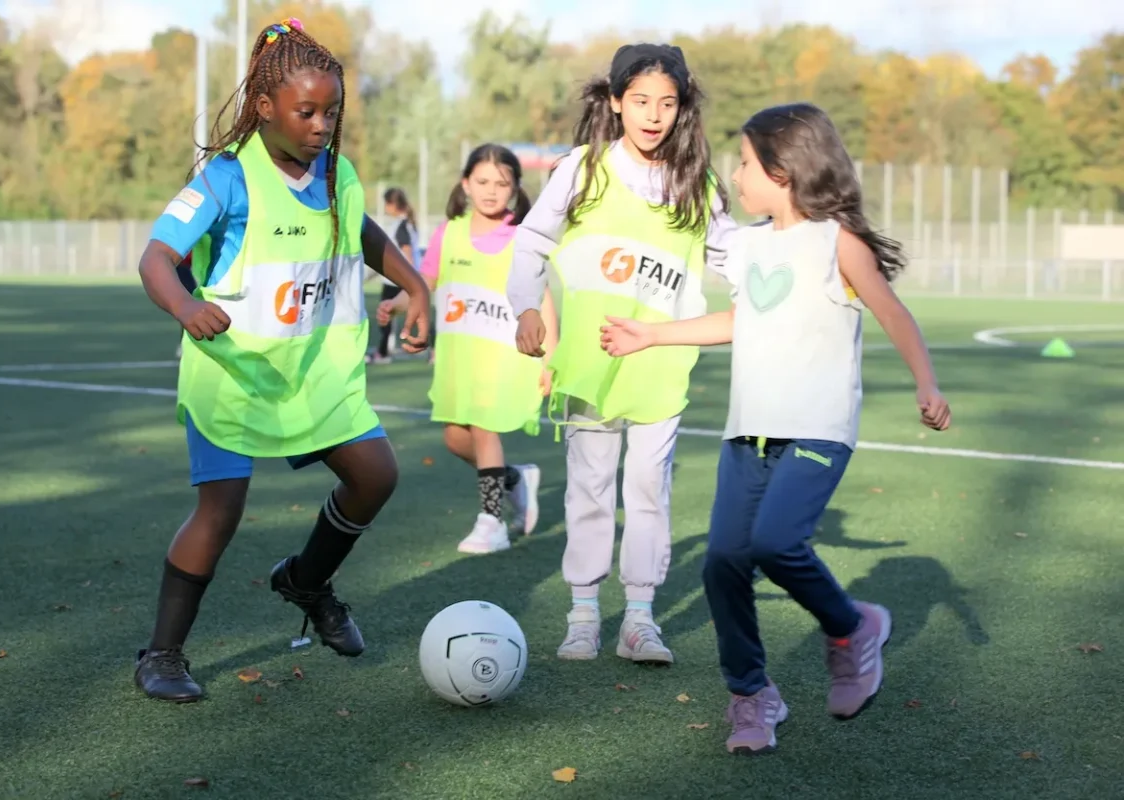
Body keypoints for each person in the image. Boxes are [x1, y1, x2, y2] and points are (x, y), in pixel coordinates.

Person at [600, 102, 951, 753]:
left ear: (785, 171)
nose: (737, 176)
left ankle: (853, 628)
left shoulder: (835, 242)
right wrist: (652, 335)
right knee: (723, 562)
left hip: (818, 430)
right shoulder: (750, 245)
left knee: (776, 542)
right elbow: (741, 320)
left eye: (747, 163)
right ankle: (752, 695)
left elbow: (893, 312)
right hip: (747, 433)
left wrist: (925, 382)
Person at [133, 17, 430, 703]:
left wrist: (413, 282)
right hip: (231, 374)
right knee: (220, 513)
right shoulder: (225, 180)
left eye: (331, 110)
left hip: (309, 374)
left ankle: (305, 580)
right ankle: (161, 655)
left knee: (375, 476)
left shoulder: (336, 174)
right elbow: (155, 259)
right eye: (307, 111)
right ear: (265, 107)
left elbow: (359, 229)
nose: (323, 124)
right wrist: (184, 308)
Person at [507, 43, 736, 665]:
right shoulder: (583, 169)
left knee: (647, 487)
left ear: (682, 106)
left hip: (661, 365)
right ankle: (583, 614)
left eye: (667, 101)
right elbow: (529, 243)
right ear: (615, 101)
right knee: (589, 485)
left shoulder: (697, 183)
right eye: (640, 100)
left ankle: (639, 618)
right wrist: (527, 308)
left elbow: (734, 260)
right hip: (590, 363)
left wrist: (783, 286)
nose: (654, 114)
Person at [383, 144, 554, 552]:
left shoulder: (522, 239)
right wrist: (398, 301)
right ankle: (513, 478)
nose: (491, 191)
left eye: (501, 183)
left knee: (482, 425)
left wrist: (550, 357)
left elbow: (541, 298)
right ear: (465, 184)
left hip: (504, 356)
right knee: (456, 438)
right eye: (482, 182)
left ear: (514, 189)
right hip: (460, 356)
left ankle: (491, 521)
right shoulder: (450, 232)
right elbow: (426, 282)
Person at [368, 187, 419, 364]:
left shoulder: (402, 225)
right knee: (414, 314)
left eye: (386, 204)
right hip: (399, 278)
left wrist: (411, 278)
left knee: (386, 314)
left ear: (392, 204)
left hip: (395, 279)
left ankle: (383, 353)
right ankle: (386, 349)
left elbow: (406, 252)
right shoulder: (407, 223)